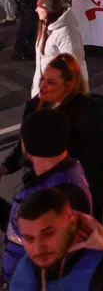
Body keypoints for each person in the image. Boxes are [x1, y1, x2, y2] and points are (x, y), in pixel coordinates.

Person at [2, 54, 103, 222]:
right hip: (39, 187)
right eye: (42, 79)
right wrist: (4, 168)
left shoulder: (88, 111)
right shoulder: (35, 105)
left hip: (69, 197)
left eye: (51, 82)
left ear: (68, 84)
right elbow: (24, 143)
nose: (42, 86)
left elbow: (95, 159)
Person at [1, 109, 92, 284]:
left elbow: (49, 265)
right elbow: (23, 228)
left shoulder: (58, 194)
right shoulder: (58, 178)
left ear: (26, 145)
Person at [8, 188, 103, 290]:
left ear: (71, 224)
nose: (38, 249)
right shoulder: (24, 268)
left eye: (48, 234)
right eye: (29, 238)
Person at [30, 0, 88, 95]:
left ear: (48, 9)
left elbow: (73, 68)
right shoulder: (46, 27)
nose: (36, 10)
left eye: (39, 7)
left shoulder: (67, 33)